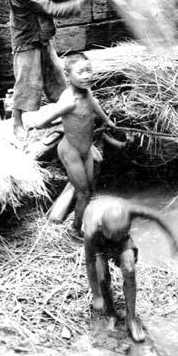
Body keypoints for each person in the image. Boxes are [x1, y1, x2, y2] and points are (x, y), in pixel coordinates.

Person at [28, 52, 125, 235]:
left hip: (86, 149)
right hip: (70, 151)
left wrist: (109, 122)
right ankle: (75, 229)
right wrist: (61, 124)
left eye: (89, 70)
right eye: (81, 72)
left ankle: (79, 222)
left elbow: (95, 105)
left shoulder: (86, 91)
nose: (87, 75)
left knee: (89, 189)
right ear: (68, 75)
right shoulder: (68, 101)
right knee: (83, 192)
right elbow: (42, 123)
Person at [7, 0, 95, 139]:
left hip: (42, 37)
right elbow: (49, 8)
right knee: (26, 83)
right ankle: (17, 122)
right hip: (27, 41)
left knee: (56, 76)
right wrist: (79, 3)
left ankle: (66, 112)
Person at [83, 195, 178, 342]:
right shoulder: (92, 228)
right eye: (115, 235)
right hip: (100, 242)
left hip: (120, 236)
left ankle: (131, 319)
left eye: (121, 233)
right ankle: (111, 313)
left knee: (130, 270)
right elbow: (89, 262)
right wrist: (96, 294)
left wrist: (174, 240)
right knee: (102, 277)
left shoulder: (129, 210)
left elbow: (156, 216)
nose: (116, 239)